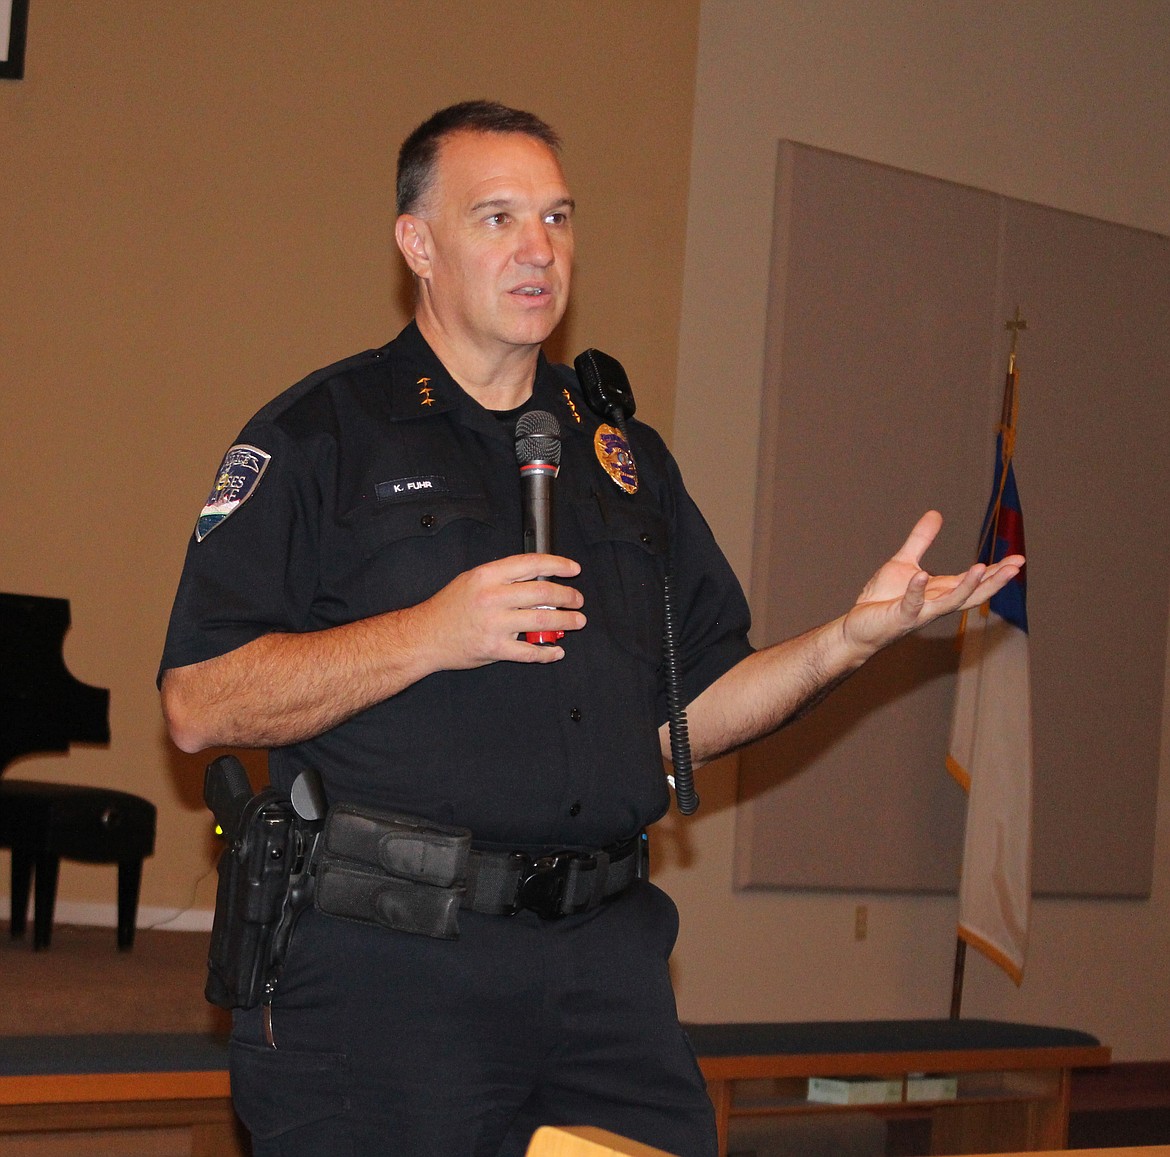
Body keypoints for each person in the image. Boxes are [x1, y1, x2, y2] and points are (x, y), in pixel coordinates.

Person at [159, 100, 1022, 1157]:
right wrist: (432, 631)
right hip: (390, 972)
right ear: (418, 243)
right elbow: (199, 701)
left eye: (559, 218)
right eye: (499, 218)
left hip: (604, 972)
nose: (540, 249)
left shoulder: (620, 453)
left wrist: (851, 637)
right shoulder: (319, 437)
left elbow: (686, 715)